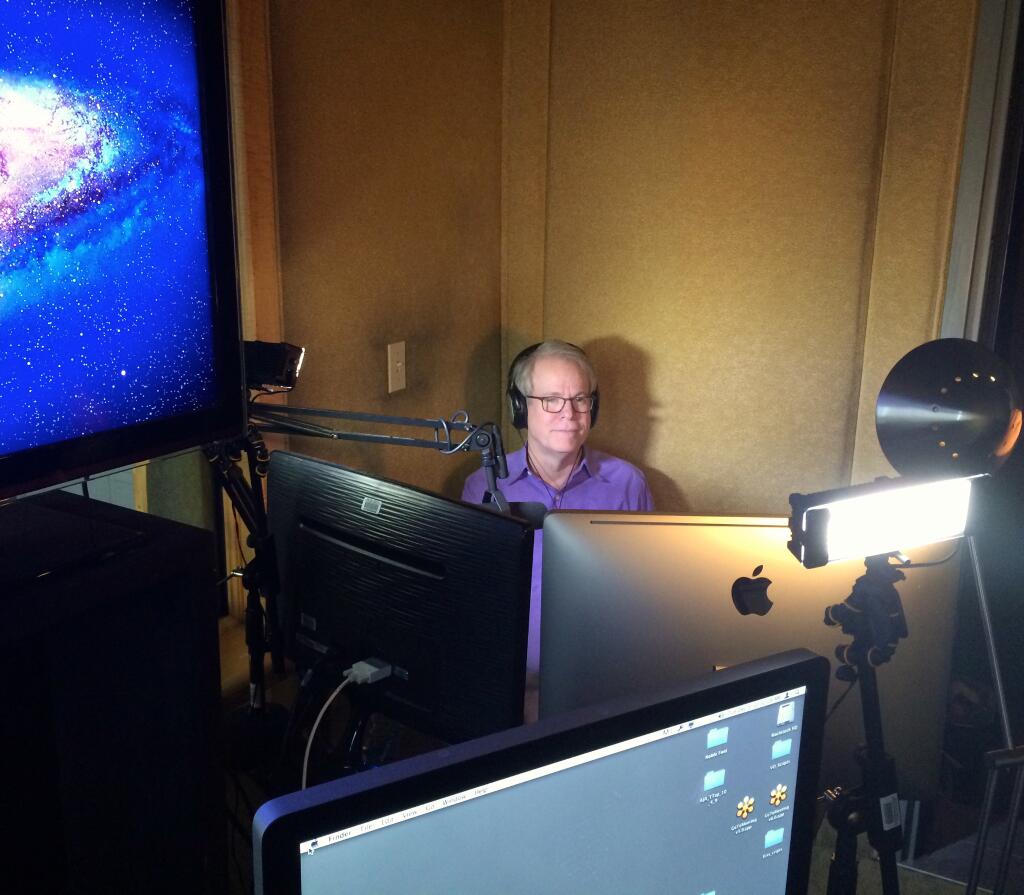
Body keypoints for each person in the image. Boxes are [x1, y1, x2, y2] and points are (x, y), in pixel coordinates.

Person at [462, 340, 653, 713]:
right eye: (551, 399)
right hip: (510, 688)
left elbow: (645, 594)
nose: (569, 413)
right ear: (520, 408)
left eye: (580, 399)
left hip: (601, 686)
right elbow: (473, 599)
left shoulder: (628, 484)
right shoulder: (484, 486)